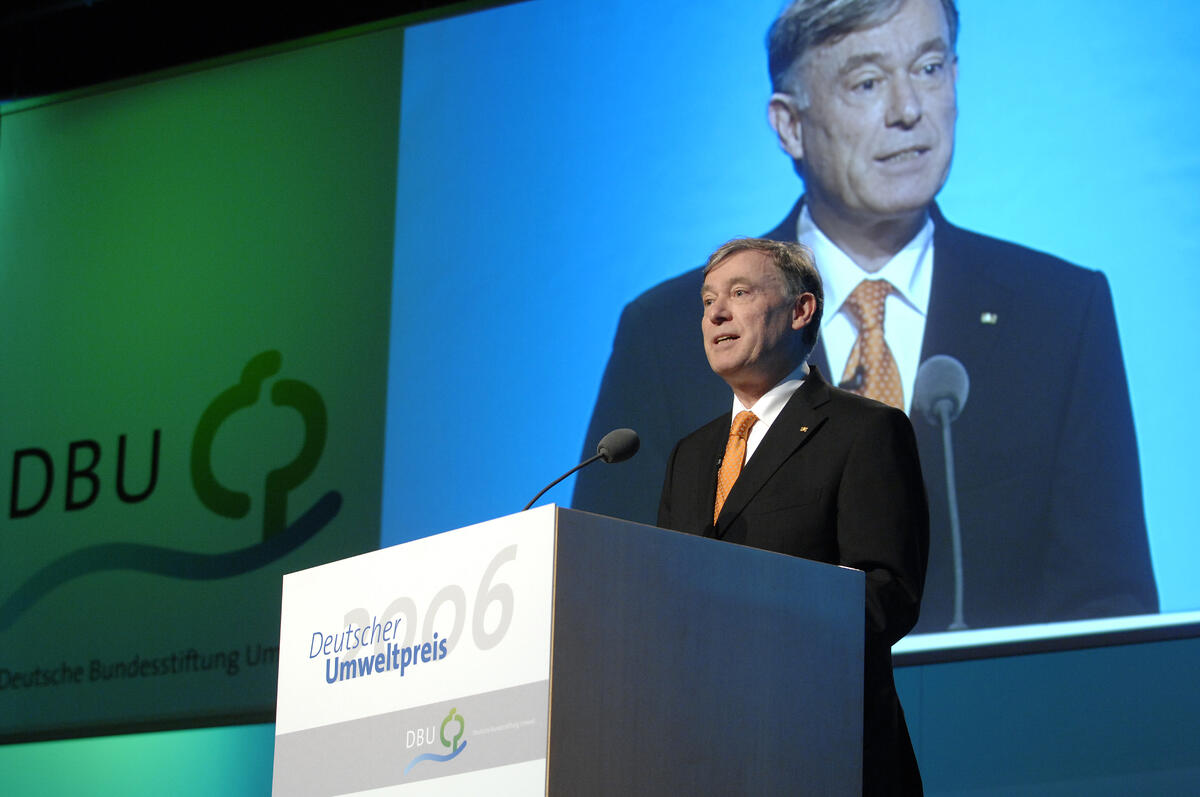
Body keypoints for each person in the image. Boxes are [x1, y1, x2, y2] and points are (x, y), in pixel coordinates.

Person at [574, 0, 1158, 632]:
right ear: (790, 126)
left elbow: (1110, 608)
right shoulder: (667, 335)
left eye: (929, 68)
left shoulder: (1060, 313)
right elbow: (607, 594)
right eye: (868, 82)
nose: (908, 109)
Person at [658, 237, 927, 796]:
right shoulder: (689, 455)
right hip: (702, 753)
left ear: (801, 310)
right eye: (707, 300)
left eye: (739, 293)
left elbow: (887, 594)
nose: (716, 313)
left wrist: (759, 625)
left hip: (822, 748)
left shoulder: (864, 430)